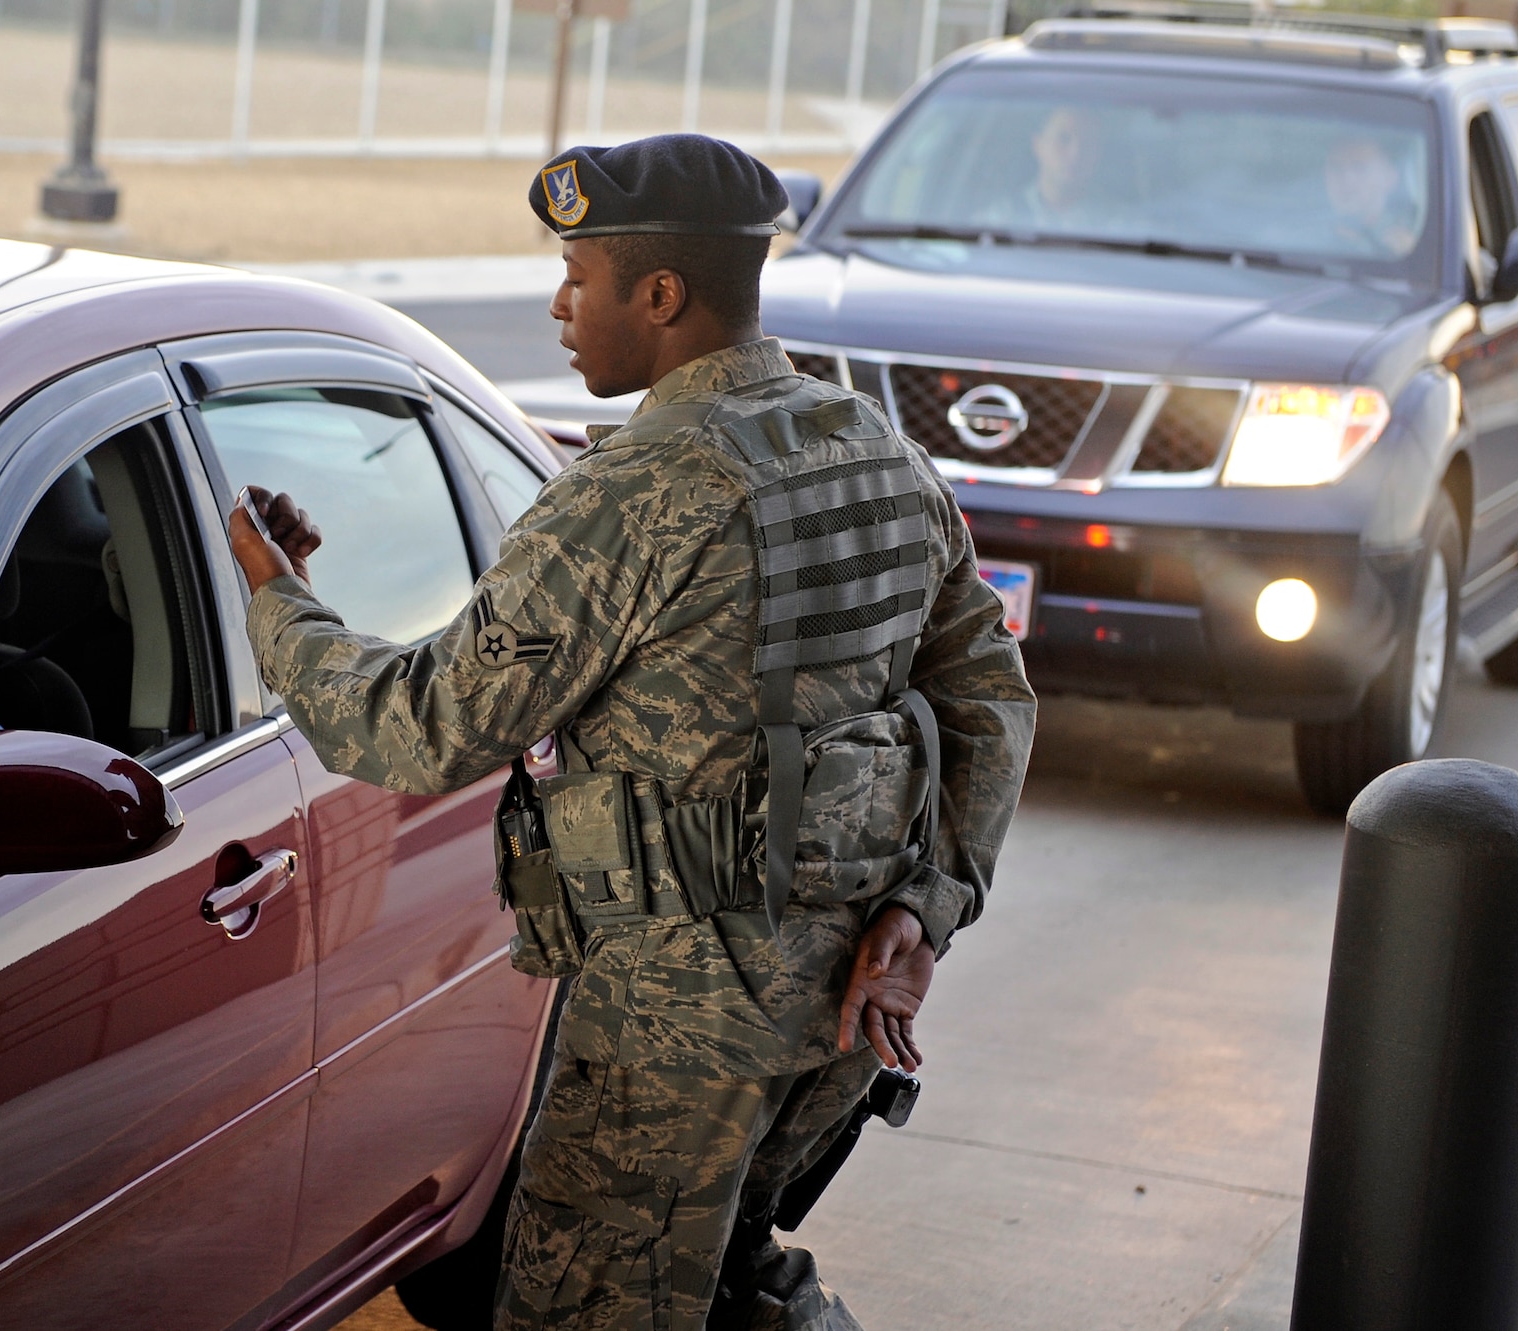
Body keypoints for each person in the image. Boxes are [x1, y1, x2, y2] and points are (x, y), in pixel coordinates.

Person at [229, 134, 1035, 1331]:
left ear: (659, 296)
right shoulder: (874, 450)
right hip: (847, 999)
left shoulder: (640, 492)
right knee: (717, 1277)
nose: (558, 306)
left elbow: (421, 724)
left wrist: (276, 599)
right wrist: (929, 903)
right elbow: (987, 697)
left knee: (587, 1304)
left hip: (678, 1021)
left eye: (578, 276)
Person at [988, 105, 1106, 233]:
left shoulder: (1119, 225)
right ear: (1038, 145)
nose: (1075, 153)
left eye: (1087, 143)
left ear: (1098, 154)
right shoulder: (996, 225)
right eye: (1064, 139)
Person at [1324, 134, 1418, 258]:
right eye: (1336, 168)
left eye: (1359, 167)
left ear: (1389, 177)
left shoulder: (1411, 239)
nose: (1347, 178)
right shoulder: (1301, 237)